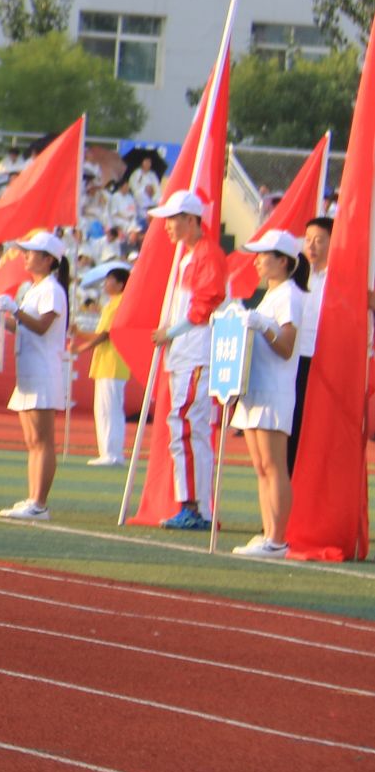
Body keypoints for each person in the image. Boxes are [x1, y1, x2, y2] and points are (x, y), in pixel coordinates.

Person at [145, 188, 227, 531]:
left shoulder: (206, 254)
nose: (166, 226)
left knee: (187, 427)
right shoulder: (190, 255)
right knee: (187, 428)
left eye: (172, 219)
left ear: (192, 221)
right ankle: (196, 506)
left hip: (195, 353)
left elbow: (204, 305)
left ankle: (193, 507)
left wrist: (170, 333)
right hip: (186, 354)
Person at [229, 232, 310, 559]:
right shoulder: (271, 294)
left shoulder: (289, 294)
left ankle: (277, 538)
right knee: (262, 466)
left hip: (274, 389)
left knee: (275, 466)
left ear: (284, 261)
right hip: (256, 388)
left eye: (265, 255)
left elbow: (287, 346)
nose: (258, 260)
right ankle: (268, 532)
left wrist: (263, 326)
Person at [0, 232, 71, 521]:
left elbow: (41, 326)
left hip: (42, 370)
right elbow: (23, 327)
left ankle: (40, 503)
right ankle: (33, 497)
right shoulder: (35, 289)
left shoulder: (52, 289)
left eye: (32, 252)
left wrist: (15, 310)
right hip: (28, 370)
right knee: (31, 441)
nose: (26, 256)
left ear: (48, 259)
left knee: (42, 440)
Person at [74, 260, 133, 466]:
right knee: (105, 409)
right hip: (106, 362)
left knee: (110, 409)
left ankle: (112, 454)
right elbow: (100, 333)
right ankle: (109, 452)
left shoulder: (119, 304)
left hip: (113, 362)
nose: (105, 285)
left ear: (120, 284)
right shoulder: (111, 304)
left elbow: (105, 335)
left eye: (109, 281)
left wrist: (81, 348)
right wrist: (78, 333)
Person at [290, 216, 331, 473]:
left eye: (319, 240)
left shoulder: (341, 278)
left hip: (325, 361)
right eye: (308, 240)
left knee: (320, 431)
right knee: (293, 429)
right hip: (297, 359)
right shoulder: (298, 277)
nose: (312, 246)